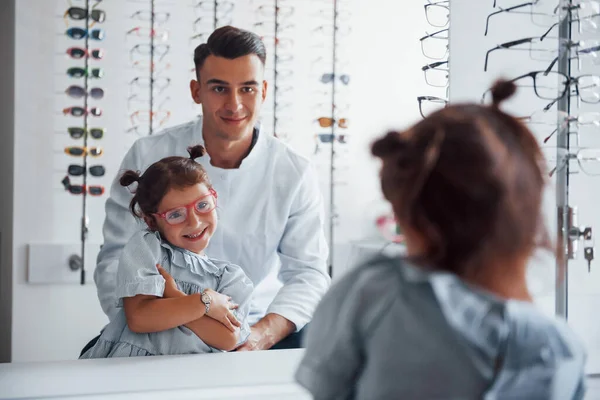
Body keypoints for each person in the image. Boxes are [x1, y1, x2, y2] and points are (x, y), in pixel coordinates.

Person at [295, 80, 587, 399]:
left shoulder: (372, 293)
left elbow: (327, 388)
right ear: (526, 212)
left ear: (409, 214)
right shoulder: (559, 350)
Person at [85, 25, 330, 355]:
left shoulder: (294, 171)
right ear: (196, 90)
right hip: (160, 326)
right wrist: (173, 323)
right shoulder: (147, 154)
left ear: (264, 90)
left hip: (256, 327)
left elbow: (309, 273)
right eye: (219, 88)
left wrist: (260, 335)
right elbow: (116, 261)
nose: (234, 104)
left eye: (247, 88)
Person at [81, 145, 253, 358]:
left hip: (189, 378)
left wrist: (175, 296)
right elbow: (140, 319)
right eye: (175, 215)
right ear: (151, 221)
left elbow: (226, 339)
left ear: (214, 197)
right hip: (132, 371)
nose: (194, 221)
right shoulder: (148, 249)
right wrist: (204, 302)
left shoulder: (229, 276)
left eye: (203, 205)